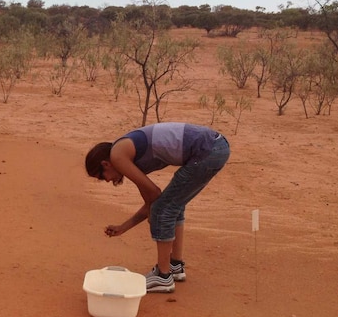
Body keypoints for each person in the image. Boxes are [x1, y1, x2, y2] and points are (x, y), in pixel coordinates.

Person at [85, 122, 230, 292]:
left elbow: (154, 194)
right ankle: (175, 266)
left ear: (105, 164)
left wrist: (156, 216)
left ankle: (163, 276)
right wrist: (123, 228)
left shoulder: (118, 155)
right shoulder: (129, 157)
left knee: (165, 209)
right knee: (173, 204)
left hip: (207, 150)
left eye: (102, 177)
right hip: (215, 147)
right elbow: (151, 203)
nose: (108, 181)